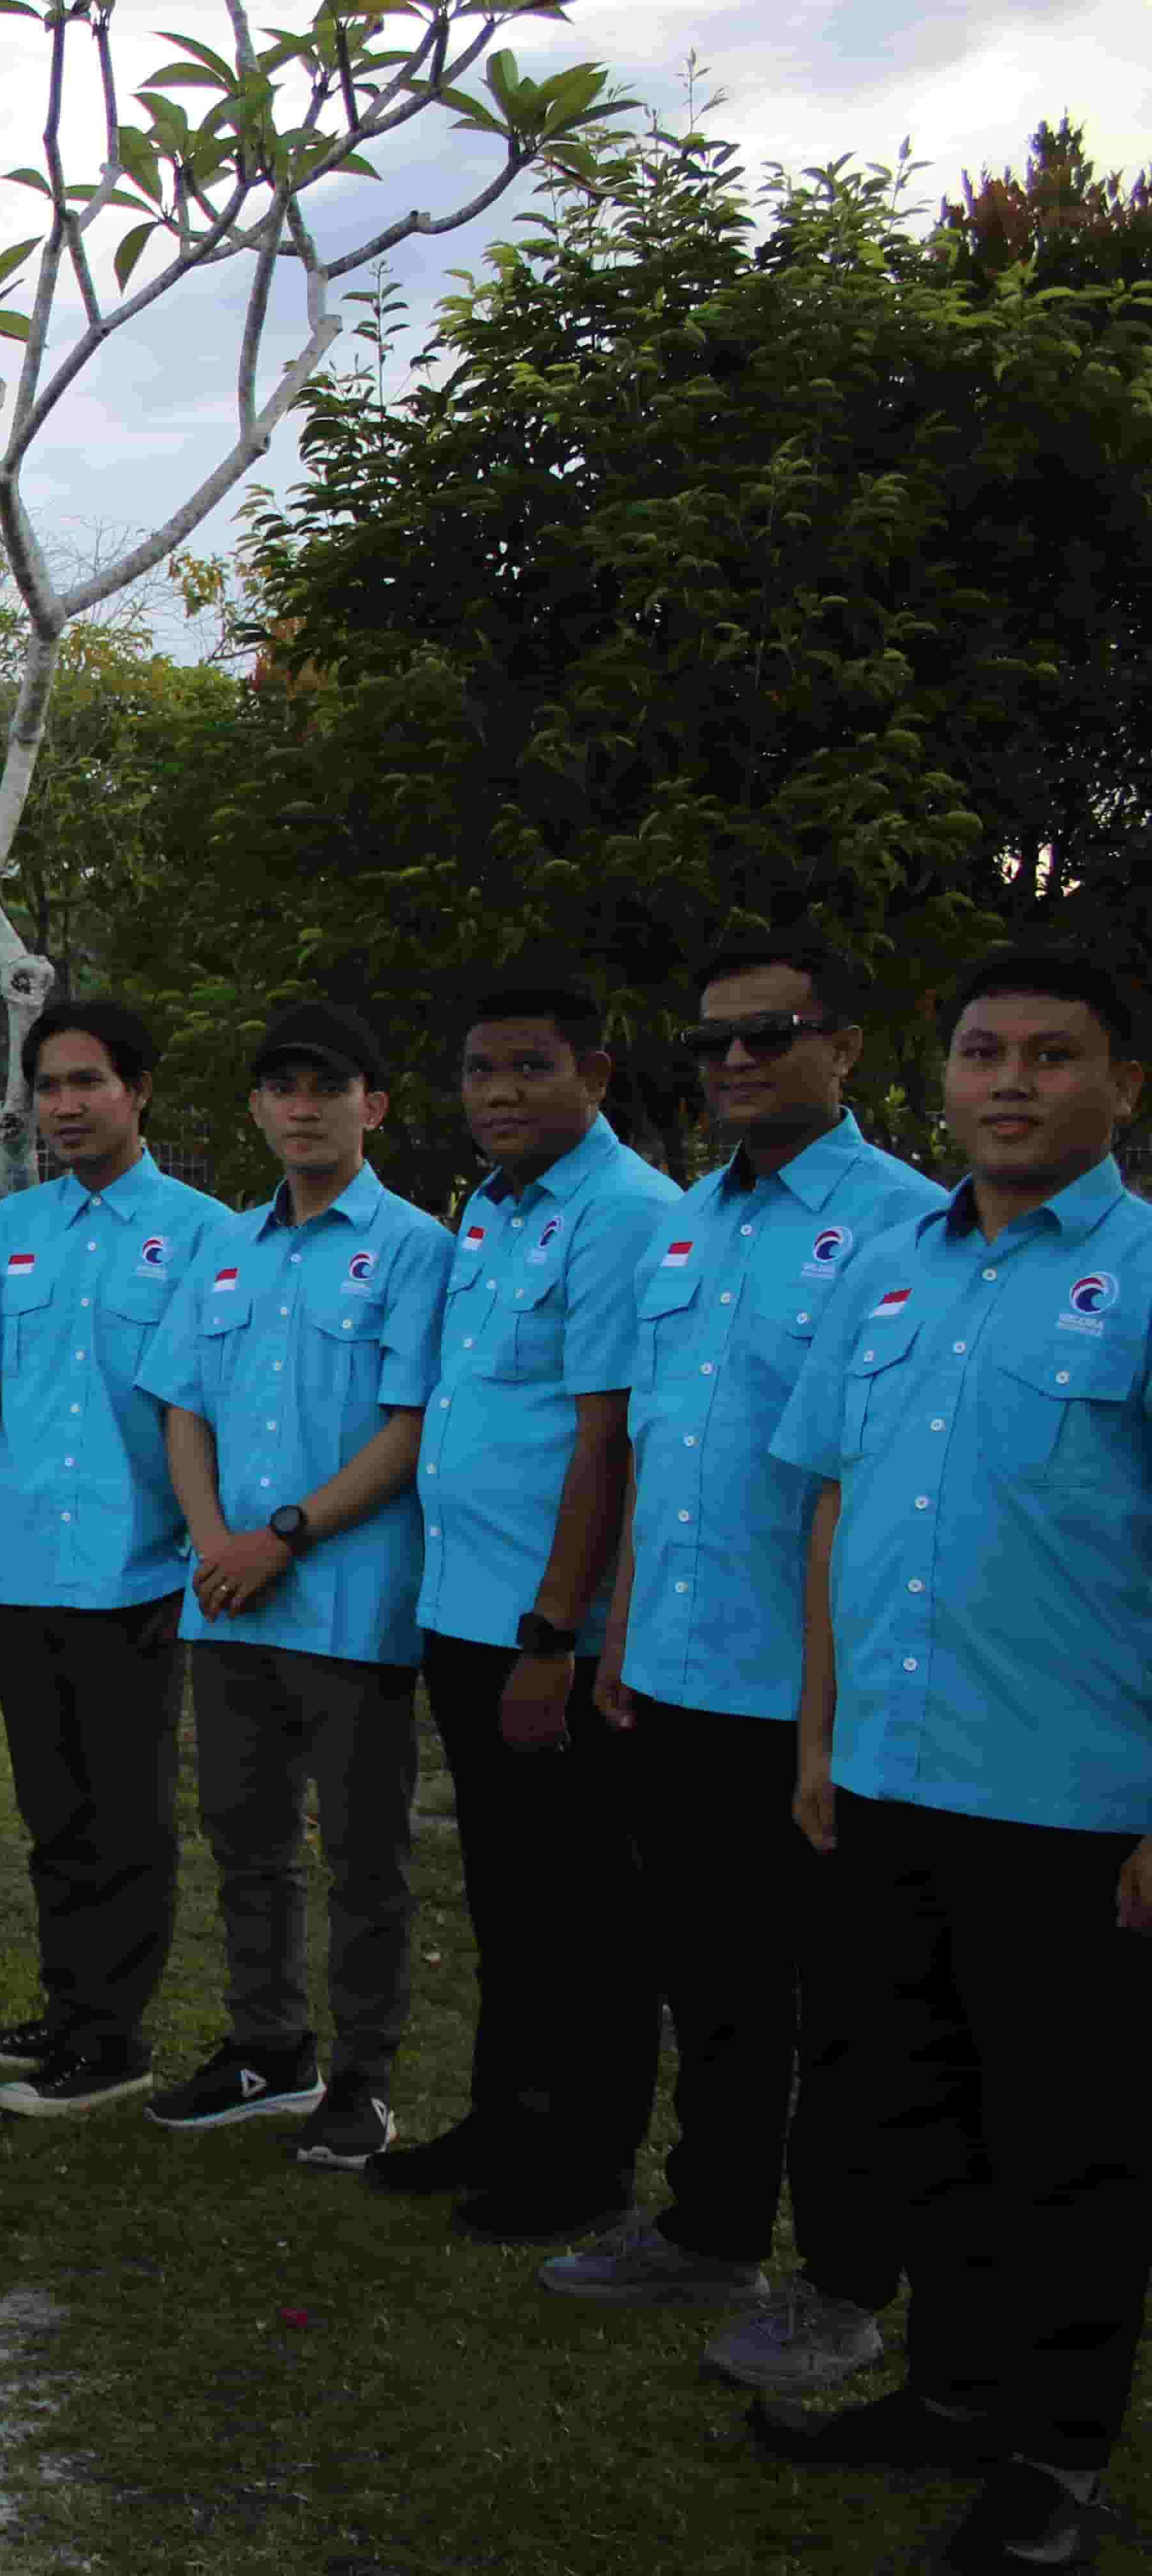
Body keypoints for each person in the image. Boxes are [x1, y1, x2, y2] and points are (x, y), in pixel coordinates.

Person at [750, 951, 1152, 2575]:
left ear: (1123, 1087)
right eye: (984, 1050)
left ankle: (1053, 2462)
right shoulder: (894, 1268)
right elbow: (839, 1497)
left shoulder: (1138, 1270)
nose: (1011, 1081)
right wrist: (821, 1729)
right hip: (891, 1777)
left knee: (1069, 2143)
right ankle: (955, 2387)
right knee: (924, 2118)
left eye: (1053, 1056)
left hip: (1071, 1806)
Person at [548, 938, 940, 2383]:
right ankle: (709, 2227)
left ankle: (843, 2283)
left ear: (843, 1045)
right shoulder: (691, 1225)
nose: (733, 1061)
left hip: (817, 1698)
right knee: (708, 1976)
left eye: (769, 1034)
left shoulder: (908, 1225)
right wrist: (626, 1631)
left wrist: (831, 1714)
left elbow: (873, 1480)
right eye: (712, 1040)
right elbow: (663, 1448)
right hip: (679, 1674)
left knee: (844, 2007)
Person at [377, 971, 680, 2242]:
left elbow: (604, 1441)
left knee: (587, 1908)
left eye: (531, 1067)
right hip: (465, 1604)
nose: (500, 1094)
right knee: (506, 1889)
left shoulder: (622, 1214)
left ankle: (588, 2158)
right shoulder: (494, 1211)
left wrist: (555, 1635)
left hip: (545, 1629)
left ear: (595, 1075)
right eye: (482, 1070)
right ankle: (508, 2112)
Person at [134, 1003, 450, 2172]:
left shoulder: (418, 1248)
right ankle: (268, 2049)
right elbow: (183, 1402)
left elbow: (411, 1426)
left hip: (349, 1603)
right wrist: (216, 1539)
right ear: (259, 1108)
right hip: (225, 1599)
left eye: (328, 1086)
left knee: (366, 1853)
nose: (303, 1108)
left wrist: (282, 1537)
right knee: (246, 1838)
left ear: (373, 1104)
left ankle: (361, 2082)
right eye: (282, 1088)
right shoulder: (225, 1247)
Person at [0, 998, 230, 2114]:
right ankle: (66, 2010)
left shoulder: (208, 1233)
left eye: (89, 1084)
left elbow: (206, 1408)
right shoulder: (9, 1232)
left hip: (139, 1569)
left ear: (140, 1091)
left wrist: (198, 1547)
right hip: (22, 1566)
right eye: (51, 1087)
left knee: (126, 1815)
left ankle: (114, 2042)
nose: (66, 1106)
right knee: (53, 1809)